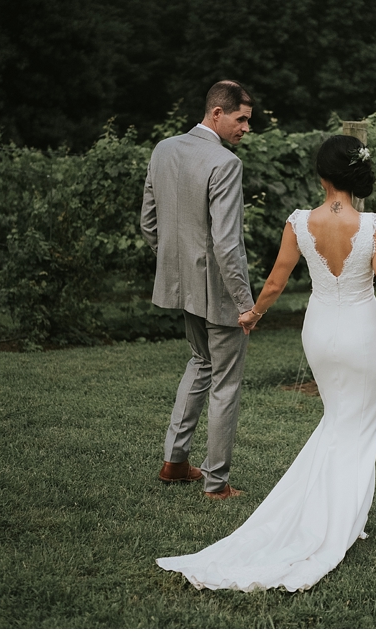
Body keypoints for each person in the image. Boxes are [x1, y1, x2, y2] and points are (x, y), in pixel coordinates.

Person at [156, 134, 376, 591]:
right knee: (356, 428)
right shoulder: (374, 225)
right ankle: (339, 523)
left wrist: (253, 314)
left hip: (319, 332)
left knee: (337, 421)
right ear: (354, 175)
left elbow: (277, 280)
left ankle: (334, 516)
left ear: (322, 176)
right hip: (361, 333)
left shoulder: (300, 222)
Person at [140, 80, 255, 499]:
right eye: (241, 119)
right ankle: (217, 483)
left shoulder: (163, 149)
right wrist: (246, 303)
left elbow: (149, 223)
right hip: (219, 290)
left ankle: (174, 462)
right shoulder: (225, 164)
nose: (246, 128)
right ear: (217, 113)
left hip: (181, 284)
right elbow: (227, 243)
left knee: (200, 362)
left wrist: (175, 264)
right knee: (225, 381)